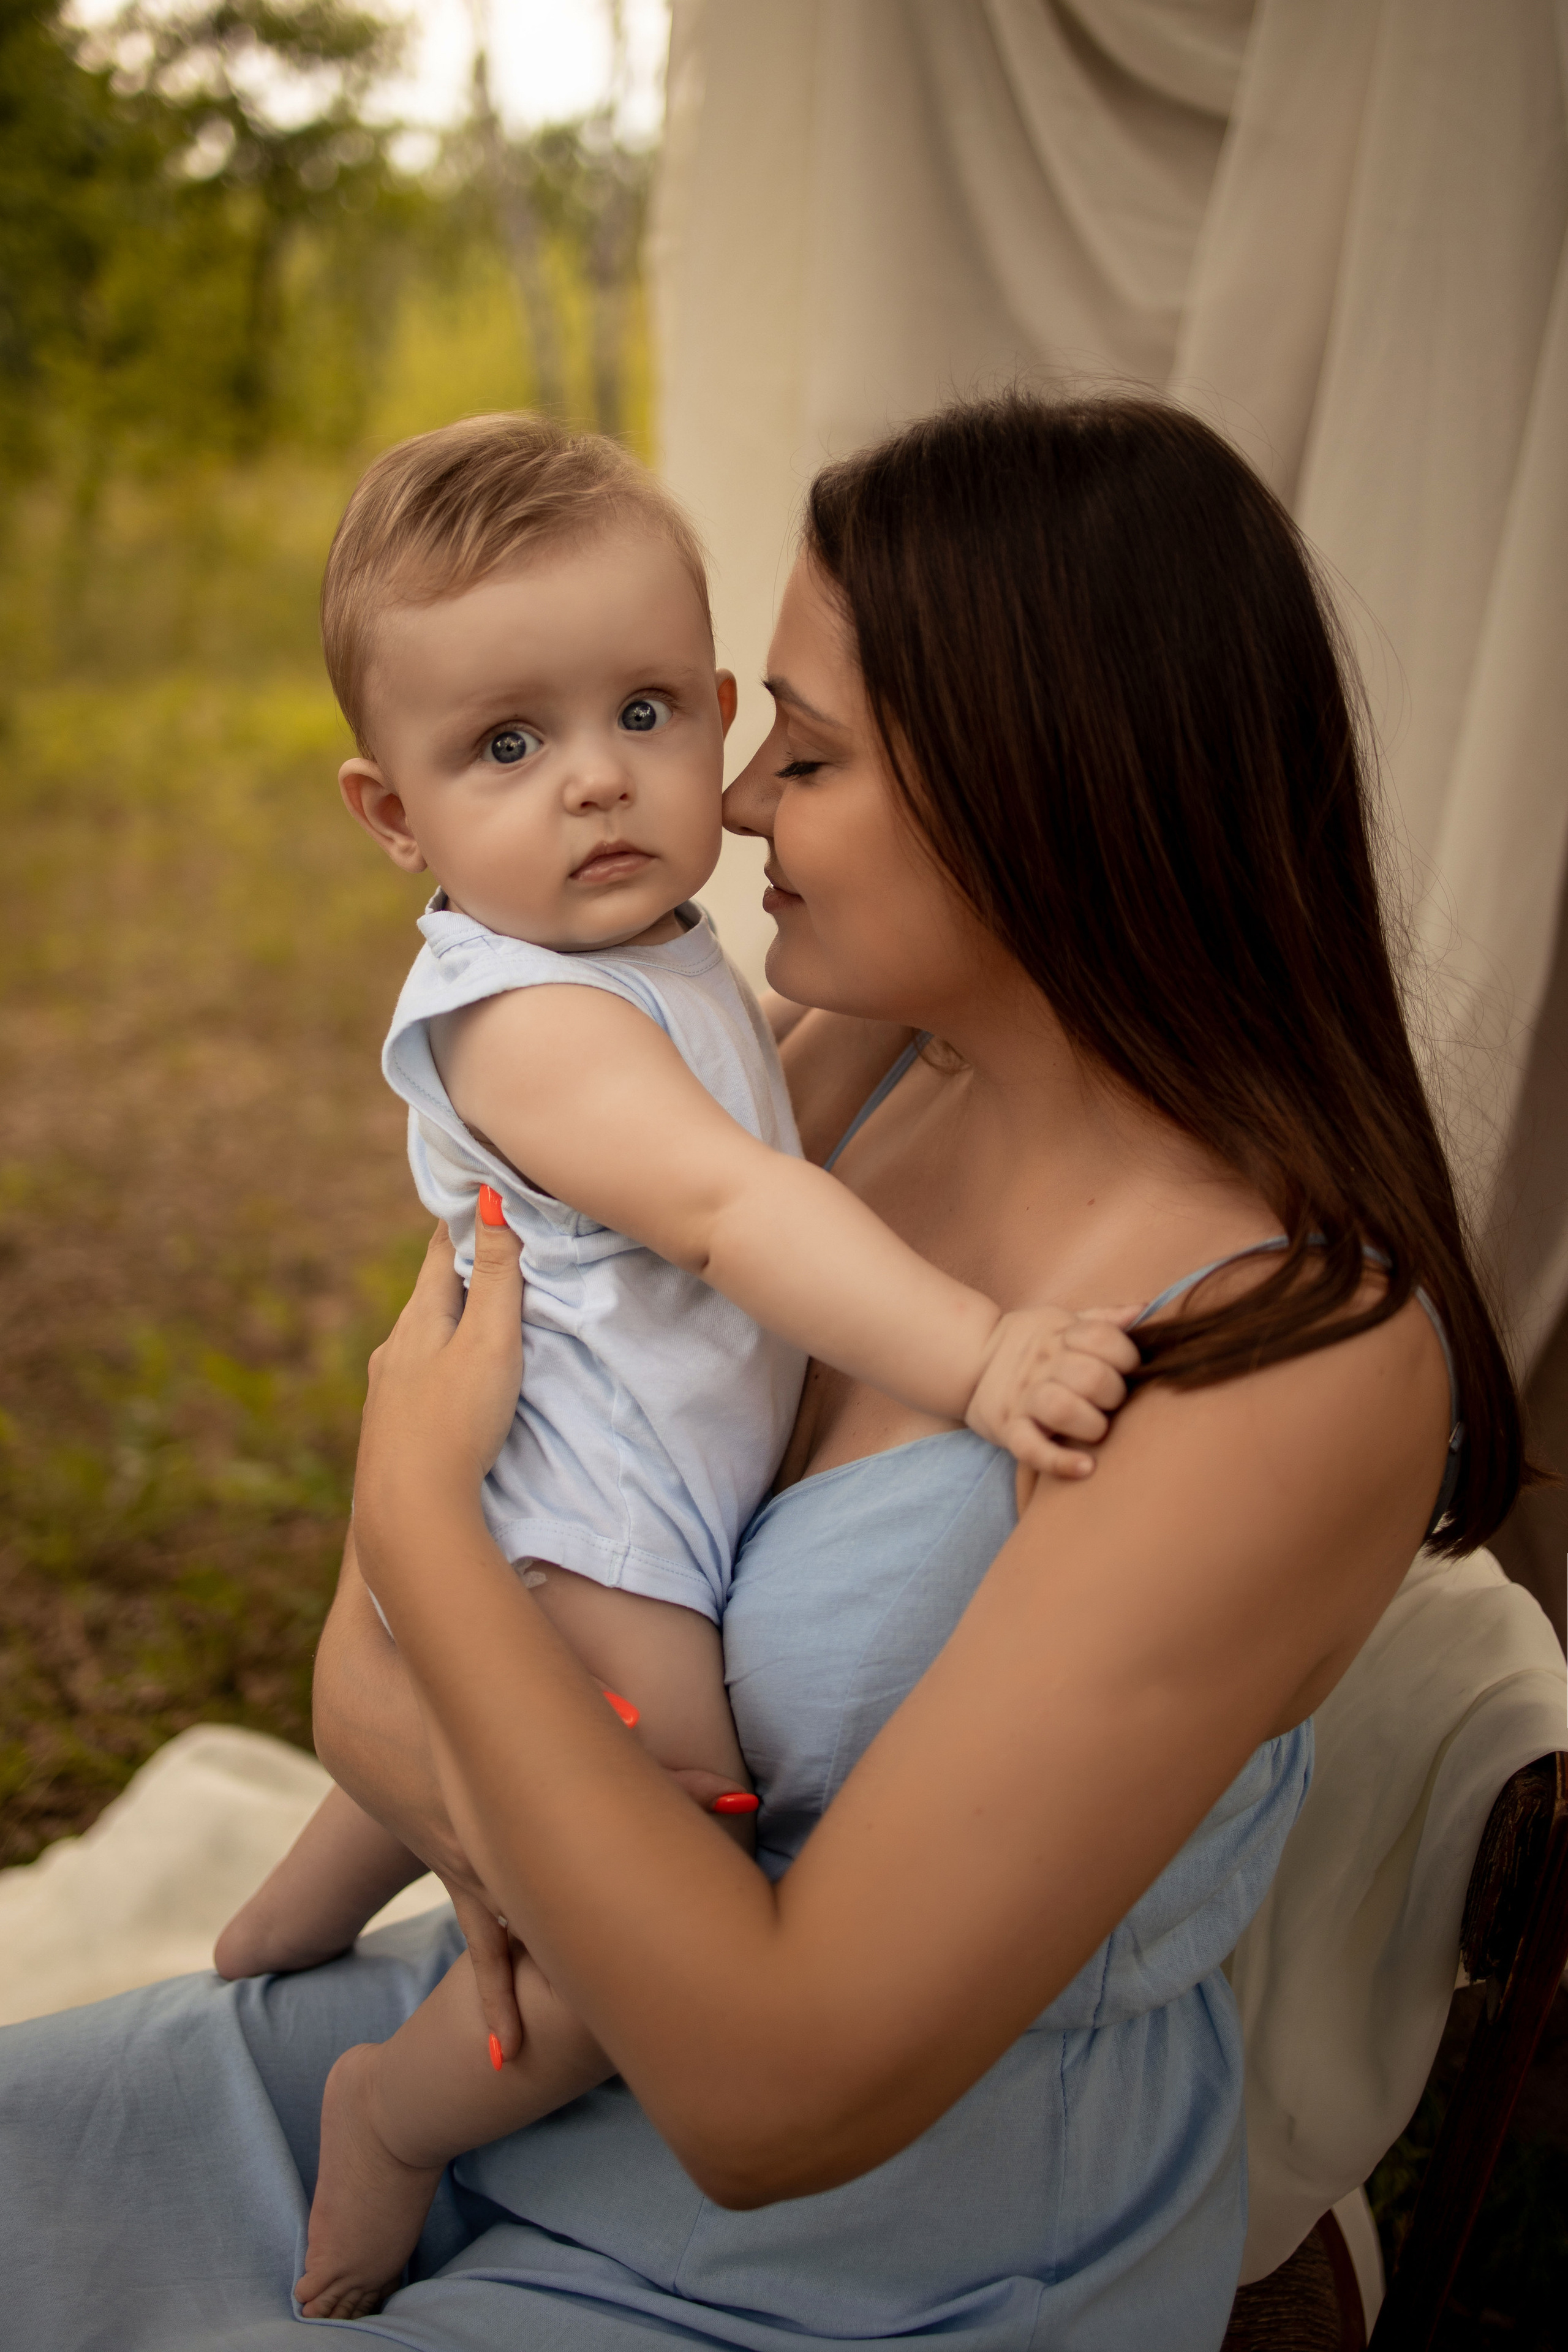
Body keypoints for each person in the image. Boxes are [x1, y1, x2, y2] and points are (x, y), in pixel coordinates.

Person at [0, 393, 1525, 2352]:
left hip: (865, 2258)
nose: (721, 806)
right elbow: (362, 1694)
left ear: (1038, 786)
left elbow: (767, 2095)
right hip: (536, 2043)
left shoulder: (1284, 1354)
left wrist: (415, 1524)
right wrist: (463, 1689)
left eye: (796, 751)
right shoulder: (847, 1070)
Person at [211, 413, 1140, 2321]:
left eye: (643, 714)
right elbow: (733, 1211)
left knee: (432, 1772)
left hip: (561, 1497)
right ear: (394, 818)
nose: (598, 789)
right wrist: (979, 1358)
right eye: (505, 748)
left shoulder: (667, 955)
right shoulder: (526, 1021)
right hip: (589, 1537)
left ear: (714, 711)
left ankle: (278, 1938)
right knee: (670, 1900)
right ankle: (393, 2114)